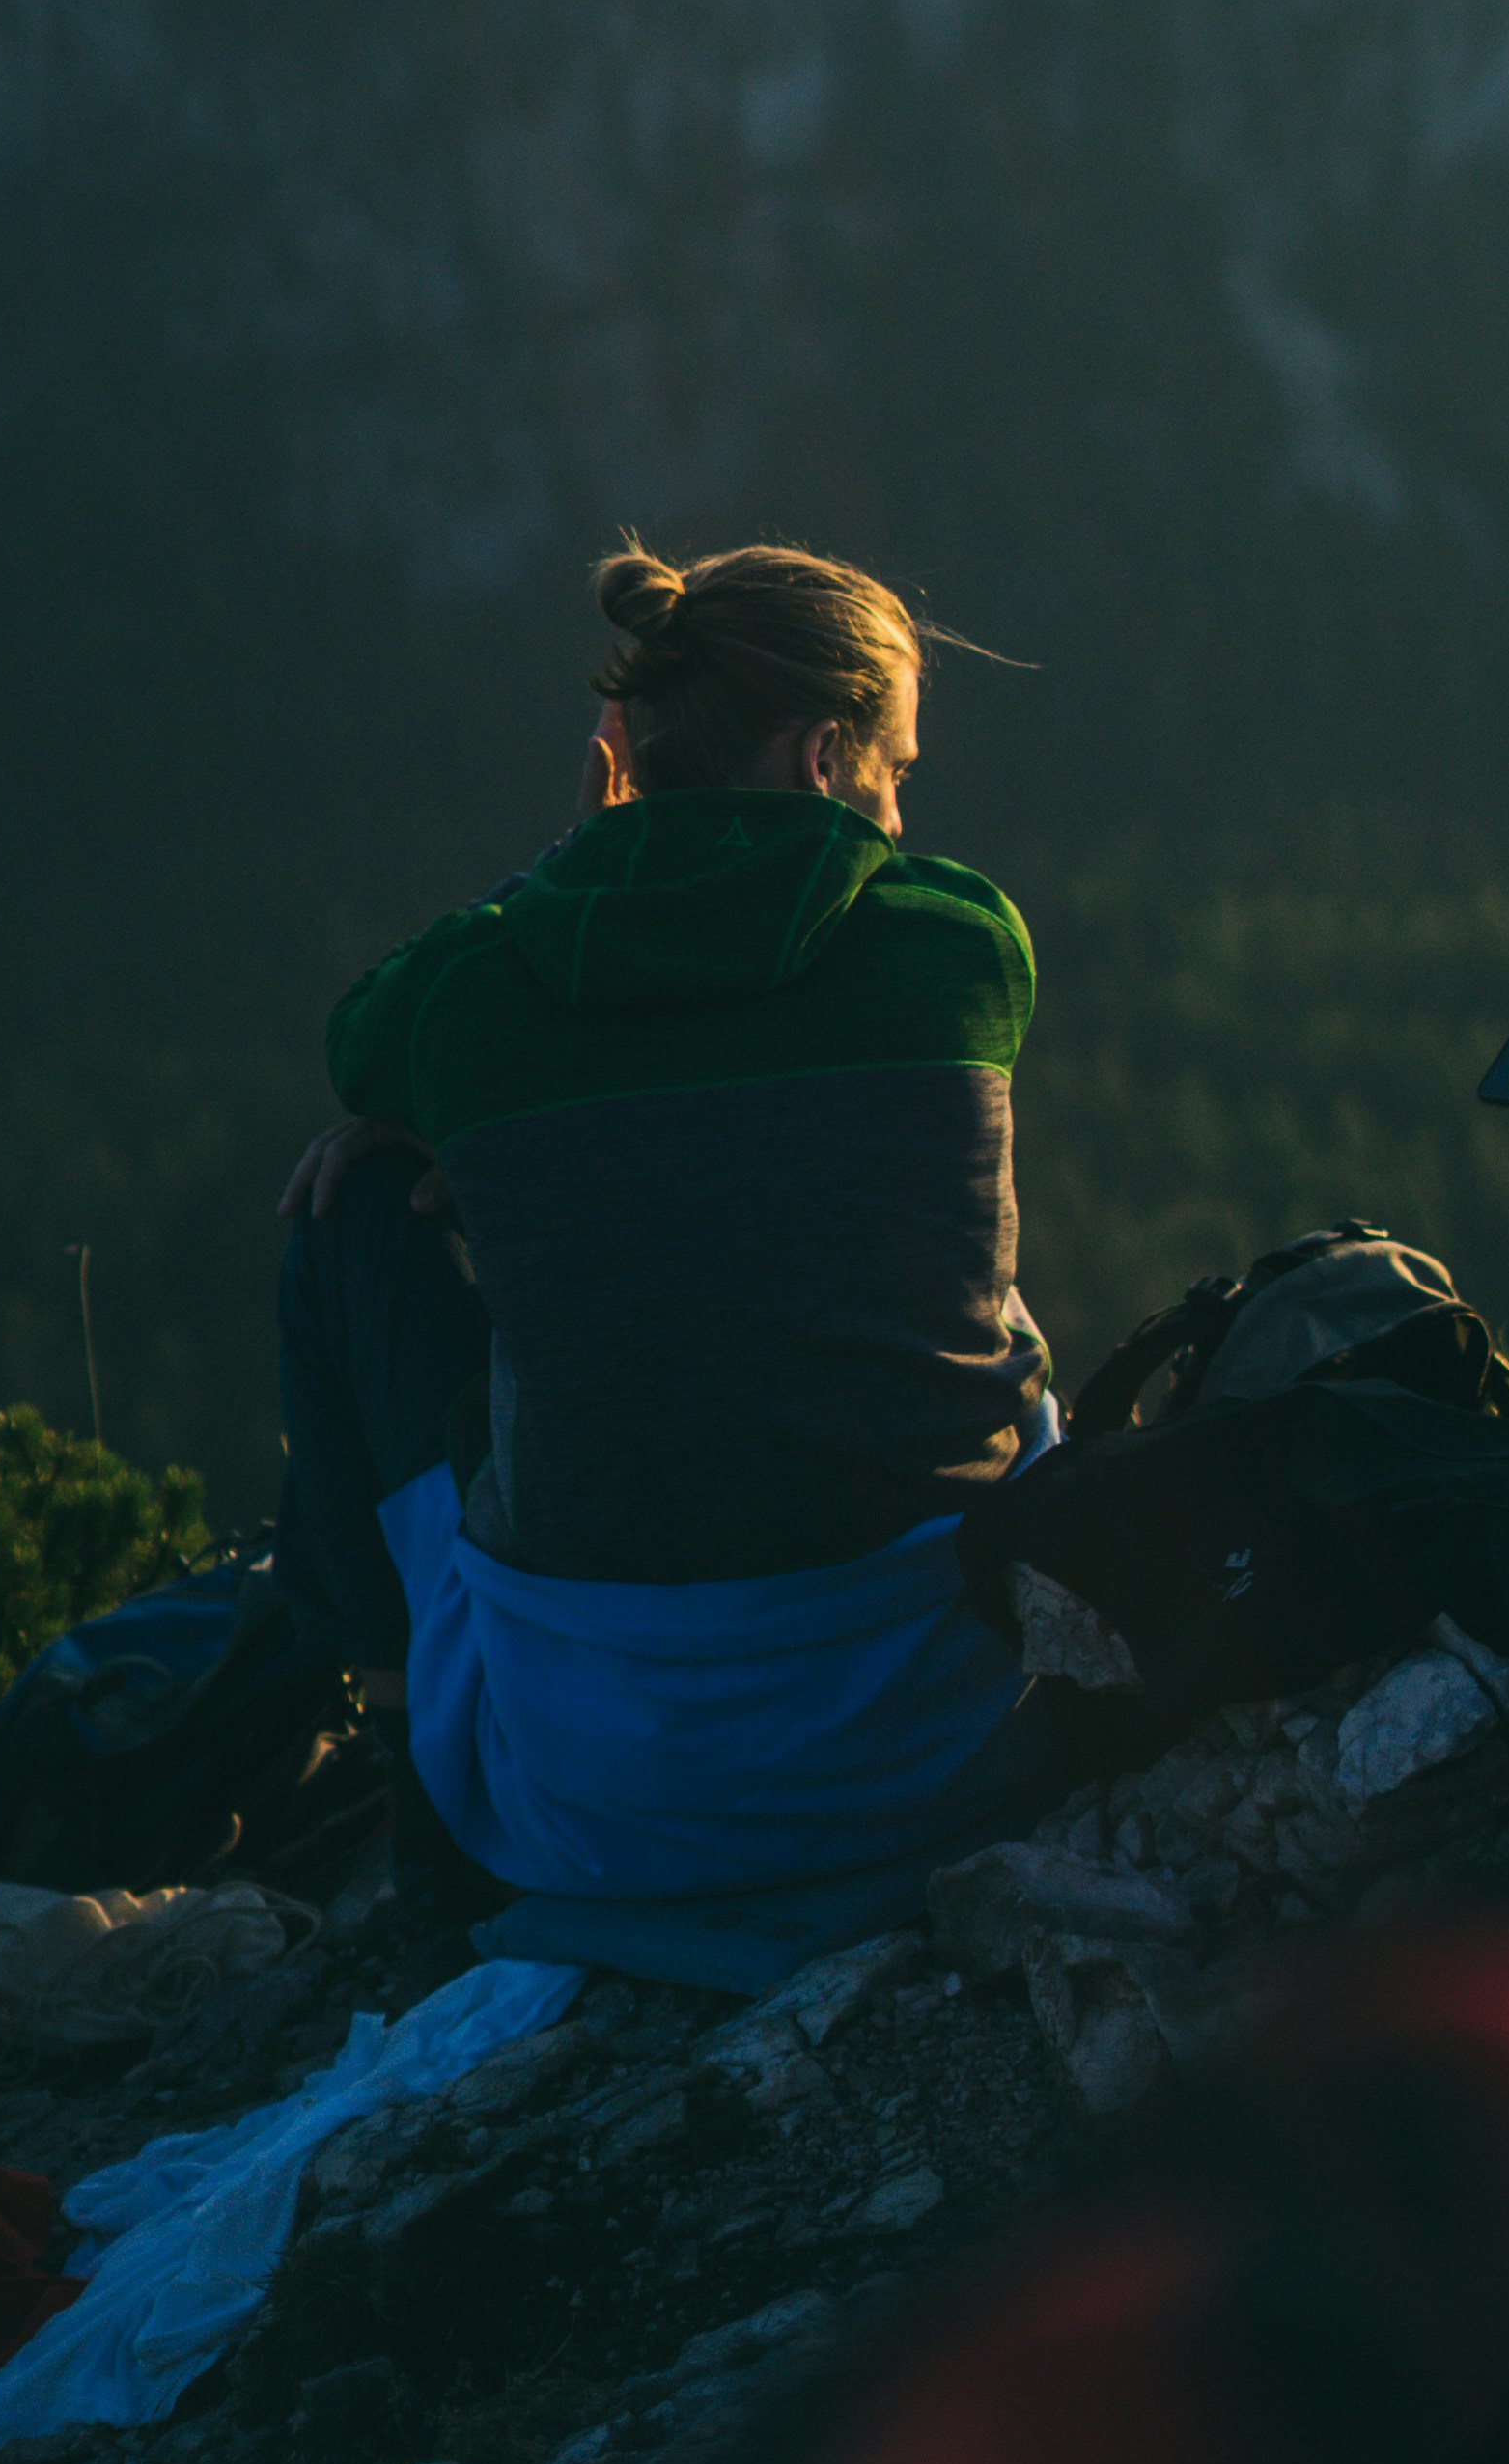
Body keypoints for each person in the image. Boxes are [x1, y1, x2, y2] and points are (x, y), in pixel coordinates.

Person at [272, 538, 1057, 1973]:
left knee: (351, 1219)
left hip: (610, 1795)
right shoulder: (959, 942)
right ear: (827, 756)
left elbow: (360, 1049)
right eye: (898, 771)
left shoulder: (479, 993)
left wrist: (575, 863)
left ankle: (424, 1822)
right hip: (952, 1735)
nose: (900, 809)